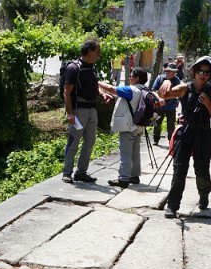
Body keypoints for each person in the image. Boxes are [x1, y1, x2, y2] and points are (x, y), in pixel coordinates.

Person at [159, 55, 211, 217]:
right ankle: (172, 206)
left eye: (207, 72)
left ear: (210, 74)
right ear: (194, 72)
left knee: (202, 170)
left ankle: (204, 195)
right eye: (200, 71)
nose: (203, 75)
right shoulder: (185, 88)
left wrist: (208, 103)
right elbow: (164, 95)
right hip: (185, 133)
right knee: (179, 170)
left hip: (203, 134)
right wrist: (167, 82)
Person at [61, 38, 108, 183]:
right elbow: (66, 92)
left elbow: (94, 86)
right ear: (89, 51)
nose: (99, 54)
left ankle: (81, 172)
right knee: (73, 141)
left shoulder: (92, 68)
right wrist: (70, 113)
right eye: (97, 51)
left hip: (92, 110)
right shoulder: (73, 68)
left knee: (90, 141)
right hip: (79, 111)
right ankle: (67, 172)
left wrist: (102, 94)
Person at [100, 67, 150, 187]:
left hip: (128, 126)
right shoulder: (146, 90)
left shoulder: (132, 90)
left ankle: (123, 178)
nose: (129, 78)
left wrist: (97, 82)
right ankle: (134, 176)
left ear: (137, 78)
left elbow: (112, 89)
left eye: (131, 76)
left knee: (125, 153)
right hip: (139, 126)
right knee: (135, 152)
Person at [150, 63, 179, 145]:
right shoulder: (160, 78)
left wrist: (176, 99)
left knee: (171, 125)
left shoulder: (176, 80)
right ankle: (156, 139)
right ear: (167, 71)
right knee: (156, 122)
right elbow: (153, 90)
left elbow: (179, 92)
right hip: (159, 106)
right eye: (170, 71)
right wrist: (159, 99)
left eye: (173, 72)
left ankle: (171, 141)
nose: (172, 73)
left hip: (171, 106)